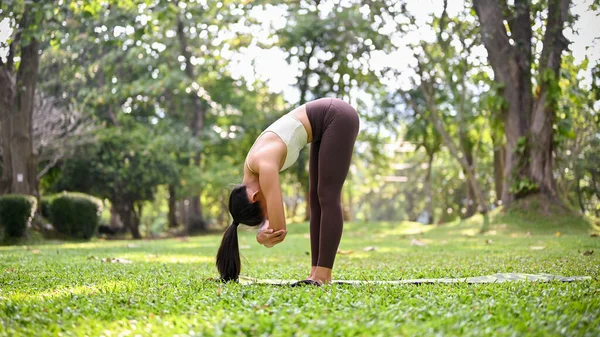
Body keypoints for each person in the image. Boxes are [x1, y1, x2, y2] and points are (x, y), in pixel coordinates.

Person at [216, 97, 360, 285]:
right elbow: (273, 223)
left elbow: (279, 228)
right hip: (324, 125)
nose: (268, 210)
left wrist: (263, 237)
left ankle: (323, 275)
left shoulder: (263, 165)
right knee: (316, 200)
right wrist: (263, 227)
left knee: (328, 196)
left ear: (254, 197)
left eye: (264, 209)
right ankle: (315, 272)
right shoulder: (253, 172)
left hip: (337, 116)